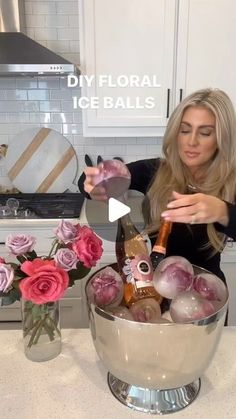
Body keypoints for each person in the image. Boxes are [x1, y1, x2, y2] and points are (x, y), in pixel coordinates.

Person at [78, 88, 236, 291]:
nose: (191, 141)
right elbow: (95, 177)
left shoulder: (231, 181)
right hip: (158, 291)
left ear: (221, 139)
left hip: (207, 293)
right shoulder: (155, 171)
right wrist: (92, 183)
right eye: (185, 130)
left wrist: (223, 212)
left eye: (205, 132)